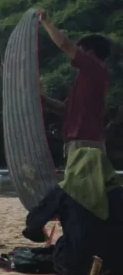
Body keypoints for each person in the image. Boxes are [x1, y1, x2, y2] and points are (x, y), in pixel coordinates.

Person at [22, 147, 123, 275]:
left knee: (62, 246)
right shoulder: (119, 192)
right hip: (117, 265)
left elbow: (33, 222)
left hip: (77, 264)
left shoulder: (63, 191)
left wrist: (39, 236)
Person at [35, 9, 112, 163]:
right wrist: (40, 97)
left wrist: (45, 22)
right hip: (81, 143)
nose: (77, 54)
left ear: (90, 52)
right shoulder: (88, 78)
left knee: (80, 187)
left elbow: (64, 45)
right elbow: (65, 109)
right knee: (81, 187)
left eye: (81, 50)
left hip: (85, 144)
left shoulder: (94, 67)